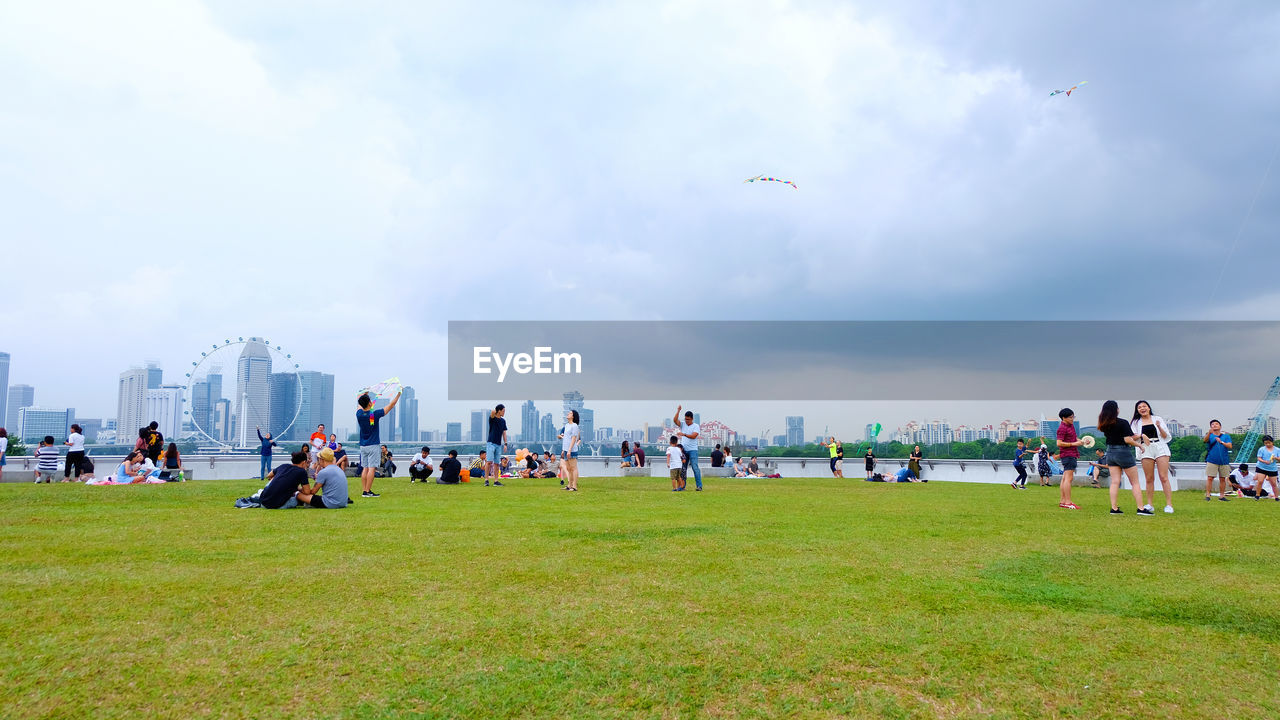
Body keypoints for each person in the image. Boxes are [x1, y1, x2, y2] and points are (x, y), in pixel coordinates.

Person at [1099, 400, 1149, 515]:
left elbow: (1129, 437)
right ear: (1116, 410)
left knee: (1115, 482)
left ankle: (1114, 508)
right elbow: (1128, 440)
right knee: (1135, 482)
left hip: (1110, 453)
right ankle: (1141, 508)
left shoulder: (1104, 424)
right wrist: (1140, 445)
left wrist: (1139, 436)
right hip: (1123, 452)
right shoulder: (1122, 422)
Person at [1131, 401, 1174, 514]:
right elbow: (1132, 437)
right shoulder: (1136, 422)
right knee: (1149, 478)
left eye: (1144, 406)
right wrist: (1140, 436)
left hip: (1160, 446)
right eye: (1139, 407)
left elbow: (1166, 436)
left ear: (1149, 408)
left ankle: (1169, 505)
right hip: (1146, 448)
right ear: (1137, 410)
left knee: (1163, 477)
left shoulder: (1157, 419)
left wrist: (1159, 427)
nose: (1142, 408)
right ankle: (1150, 504)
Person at [356, 389, 400, 498]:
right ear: (370, 403)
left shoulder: (359, 414)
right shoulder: (374, 415)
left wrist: (363, 395)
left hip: (363, 445)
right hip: (373, 445)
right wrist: (399, 393)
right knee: (371, 468)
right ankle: (367, 491)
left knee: (365, 468)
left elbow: (360, 405)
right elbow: (391, 405)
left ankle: (364, 491)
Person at [1056, 409, 1082, 510]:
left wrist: (1081, 441)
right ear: (1064, 418)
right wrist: (1074, 444)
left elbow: (1074, 438)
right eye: (1070, 417)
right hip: (1068, 455)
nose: (1072, 419)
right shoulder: (1062, 428)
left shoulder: (1071, 426)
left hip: (1072, 454)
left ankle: (1063, 501)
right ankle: (1068, 502)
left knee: (1065, 478)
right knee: (1069, 479)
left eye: (1073, 417)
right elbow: (1059, 443)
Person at [1203, 420, 1233, 502]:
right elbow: (1205, 441)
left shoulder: (1226, 436)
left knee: (1223, 478)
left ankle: (1222, 496)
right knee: (1210, 477)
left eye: (1216, 424)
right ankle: (1208, 495)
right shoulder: (1210, 435)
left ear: (1220, 426)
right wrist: (1209, 433)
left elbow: (1230, 446)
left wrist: (1222, 442)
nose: (1214, 425)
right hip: (1212, 459)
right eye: (1212, 424)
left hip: (1224, 460)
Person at [674, 405, 702, 491]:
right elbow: (675, 420)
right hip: (684, 451)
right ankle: (683, 486)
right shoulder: (683, 424)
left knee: (695, 467)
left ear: (692, 419)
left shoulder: (696, 426)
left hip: (693, 450)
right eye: (685, 419)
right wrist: (678, 411)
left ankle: (699, 486)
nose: (686, 421)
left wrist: (684, 434)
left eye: (688, 419)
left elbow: (694, 436)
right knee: (683, 469)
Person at [485, 404, 508, 487]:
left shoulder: (503, 421)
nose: (504, 412)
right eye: (503, 411)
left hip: (498, 444)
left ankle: (496, 481)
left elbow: (504, 433)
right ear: (499, 411)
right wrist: (495, 411)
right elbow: (492, 412)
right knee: (489, 462)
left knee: (497, 463)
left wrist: (505, 444)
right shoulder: (492, 419)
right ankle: (486, 480)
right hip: (491, 443)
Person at [559, 409, 581, 492]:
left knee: (573, 467)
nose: (568, 414)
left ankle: (574, 486)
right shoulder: (567, 425)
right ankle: (569, 485)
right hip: (565, 449)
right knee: (568, 468)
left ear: (573, 416)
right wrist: (564, 450)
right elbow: (566, 438)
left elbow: (574, 438)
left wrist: (569, 450)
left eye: (570, 413)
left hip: (571, 449)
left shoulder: (574, 426)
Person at [1256, 435, 1280, 501]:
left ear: (1272, 442)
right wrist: (1264, 461)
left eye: (1269, 443)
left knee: (1273, 483)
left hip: (1272, 468)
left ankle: (1276, 497)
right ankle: (1257, 495)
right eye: (1266, 443)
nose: (1267, 444)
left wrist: (1276, 458)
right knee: (1260, 481)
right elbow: (1259, 458)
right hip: (1261, 467)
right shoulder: (1262, 449)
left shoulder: (1277, 450)